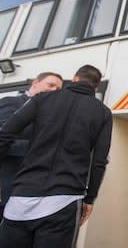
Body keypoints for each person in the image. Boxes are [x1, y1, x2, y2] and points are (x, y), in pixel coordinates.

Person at [0, 65, 112, 248]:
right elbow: (99, 161)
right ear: (96, 88)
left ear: (74, 78)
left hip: (21, 197)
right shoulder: (103, 112)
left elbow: (4, 134)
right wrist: (90, 198)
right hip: (64, 200)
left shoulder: (42, 99)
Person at [0, 72, 63, 217]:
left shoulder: (50, 115)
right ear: (35, 83)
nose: (54, 90)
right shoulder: (11, 103)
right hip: (5, 185)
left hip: (28, 194)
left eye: (58, 89)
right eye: (51, 85)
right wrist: (38, 149)